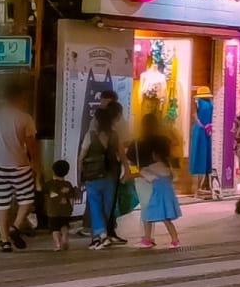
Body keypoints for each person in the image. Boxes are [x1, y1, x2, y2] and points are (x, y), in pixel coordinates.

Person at [0, 80, 40, 251]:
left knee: (1, 205)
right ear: (19, 97)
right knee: (26, 199)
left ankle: (4, 241)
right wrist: (36, 166)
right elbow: (31, 145)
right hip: (21, 166)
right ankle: (15, 227)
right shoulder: (25, 118)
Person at [77, 103, 125, 249]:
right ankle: (98, 238)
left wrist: (80, 176)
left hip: (93, 176)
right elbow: (120, 154)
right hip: (110, 175)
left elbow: (81, 158)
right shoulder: (114, 135)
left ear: (96, 120)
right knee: (106, 208)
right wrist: (126, 171)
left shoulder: (90, 136)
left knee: (95, 206)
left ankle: (101, 236)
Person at [134, 112, 182, 248]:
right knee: (167, 220)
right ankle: (175, 239)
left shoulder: (151, 167)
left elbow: (143, 173)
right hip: (167, 198)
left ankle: (147, 239)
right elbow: (174, 177)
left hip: (155, 197)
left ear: (154, 155)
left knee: (147, 215)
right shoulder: (167, 168)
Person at [42, 160, 78, 251]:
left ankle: (58, 244)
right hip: (65, 210)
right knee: (64, 225)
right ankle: (65, 237)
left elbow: (42, 192)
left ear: (53, 171)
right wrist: (71, 208)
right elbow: (71, 199)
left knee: (55, 228)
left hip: (52, 211)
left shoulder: (49, 184)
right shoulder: (68, 184)